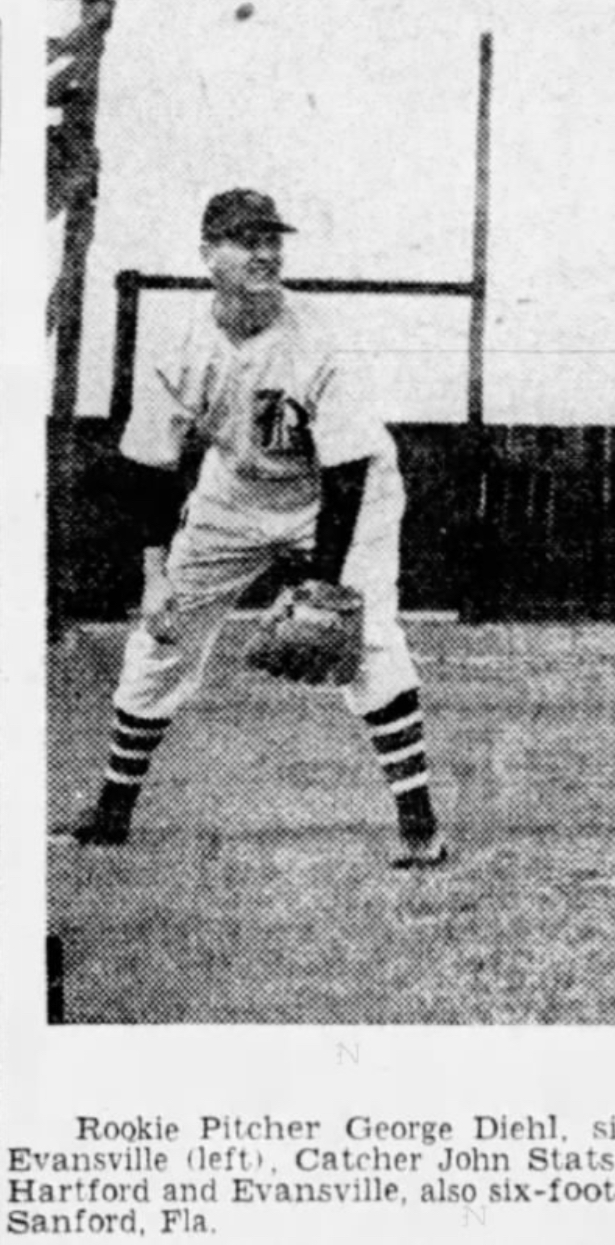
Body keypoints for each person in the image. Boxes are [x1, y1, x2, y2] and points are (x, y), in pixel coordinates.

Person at [56, 188, 448, 869]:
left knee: (371, 639)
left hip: (339, 494)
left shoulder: (317, 339)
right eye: (247, 240)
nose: (266, 253)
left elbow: (349, 470)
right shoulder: (180, 344)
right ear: (209, 254)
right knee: (161, 634)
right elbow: (150, 467)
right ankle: (112, 809)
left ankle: (420, 827)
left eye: (272, 240)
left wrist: (324, 584)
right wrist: (153, 578)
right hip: (234, 492)